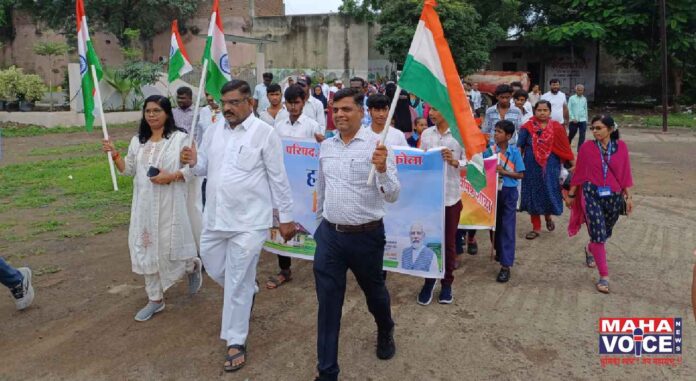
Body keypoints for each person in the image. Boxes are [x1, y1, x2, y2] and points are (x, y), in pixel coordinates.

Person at [180, 80, 296, 372]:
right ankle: (248, 289)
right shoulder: (215, 129)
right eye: (224, 102)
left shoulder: (264, 134)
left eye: (234, 102)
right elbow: (204, 167)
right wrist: (194, 162)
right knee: (217, 267)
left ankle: (235, 340)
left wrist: (285, 218)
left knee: (235, 279)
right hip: (215, 218)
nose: (227, 108)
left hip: (249, 222)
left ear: (249, 103)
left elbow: (278, 178)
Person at [313, 88, 399, 381]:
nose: (339, 115)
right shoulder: (327, 146)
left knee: (374, 293)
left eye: (346, 109)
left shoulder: (378, 145)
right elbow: (322, 188)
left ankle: (385, 328)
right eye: (335, 110)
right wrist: (319, 224)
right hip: (330, 238)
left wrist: (383, 169)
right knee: (327, 304)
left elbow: (393, 195)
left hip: (366, 237)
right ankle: (327, 372)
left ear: (361, 112)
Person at [102, 95, 202, 322]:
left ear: (167, 113)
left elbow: (192, 171)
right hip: (144, 207)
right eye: (148, 111)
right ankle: (155, 299)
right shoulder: (138, 141)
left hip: (170, 205)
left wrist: (172, 175)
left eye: (157, 110)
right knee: (146, 248)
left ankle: (191, 265)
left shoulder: (181, 139)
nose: (152, 115)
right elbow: (128, 170)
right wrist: (115, 154)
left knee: (171, 246)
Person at [566, 115, 633, 294]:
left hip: (614, 196)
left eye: (599, 128)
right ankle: (604, 276)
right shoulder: (587, 147)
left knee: (605, 232)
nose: (594, 131)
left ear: (610, 129)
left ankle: (590, 249)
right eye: (593, 128)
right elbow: (579, 172)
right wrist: (572, 194)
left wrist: (629, 196)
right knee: (598, 234)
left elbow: (625, 173)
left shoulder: (621, 147)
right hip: (591, 194)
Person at [417, 107, 465, 305]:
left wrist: (455, 162)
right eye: (430, 109)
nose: (431, 113)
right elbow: (418, 159)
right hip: (429, 198)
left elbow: (474, 163)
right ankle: (429, 281)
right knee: (428, 241)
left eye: (436, 109)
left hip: (450, 197)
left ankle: (447, 283)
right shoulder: (426, 134)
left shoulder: (459, 135)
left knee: (448, 243)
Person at [518, 100, 575, 240]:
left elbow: (565, 148)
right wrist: (517, 166)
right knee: (533, 195)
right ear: (534, 111)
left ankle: (548, 217)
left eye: (545, 110)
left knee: (549, 192)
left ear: (550, 112)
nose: (542, 113)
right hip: (531, 166)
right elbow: (520, 147)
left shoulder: (557, 128)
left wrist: (575, 165)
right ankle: (536, 228)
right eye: (539, 110)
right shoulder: (527, 127)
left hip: (551, 166)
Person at [487, 120, 525, 282]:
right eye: (495, 131)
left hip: (509, 192)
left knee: (508, 226)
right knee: (493, 223)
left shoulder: (515, 153)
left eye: (499, 131)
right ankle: (499, 250)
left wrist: (504, 172)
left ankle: (505, 265)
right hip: (493, 191)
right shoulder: (490, 151)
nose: (495, 134)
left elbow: (521, 174)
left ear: (508, 136)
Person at [568, 84, 589, 150]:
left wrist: (586, 120)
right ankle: (567, 146)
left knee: (582, 136)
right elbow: (569, 109)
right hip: (573, 120)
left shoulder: (584, 99)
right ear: (576, 90)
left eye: (581, 90)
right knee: (571, 134)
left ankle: (580, 150)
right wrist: (572, 118)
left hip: (583, 120)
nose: (580, 92)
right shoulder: (572, 98)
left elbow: (585, 109)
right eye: (579, 90)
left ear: (583, 91)